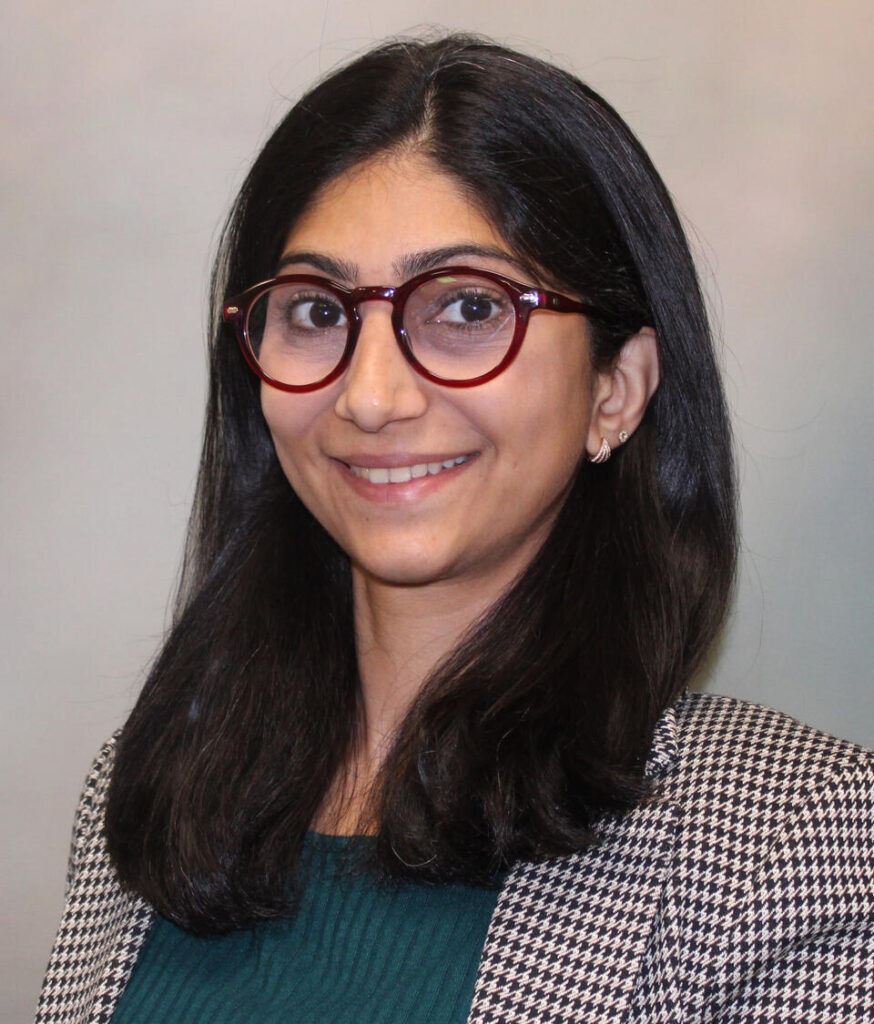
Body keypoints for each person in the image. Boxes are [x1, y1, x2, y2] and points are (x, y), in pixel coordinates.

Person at [36, 34, 874, 1024]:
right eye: (316, 313)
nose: (372, 395)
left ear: (616, 387)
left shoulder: (790, 837)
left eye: (469, 306)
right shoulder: (151, 788)